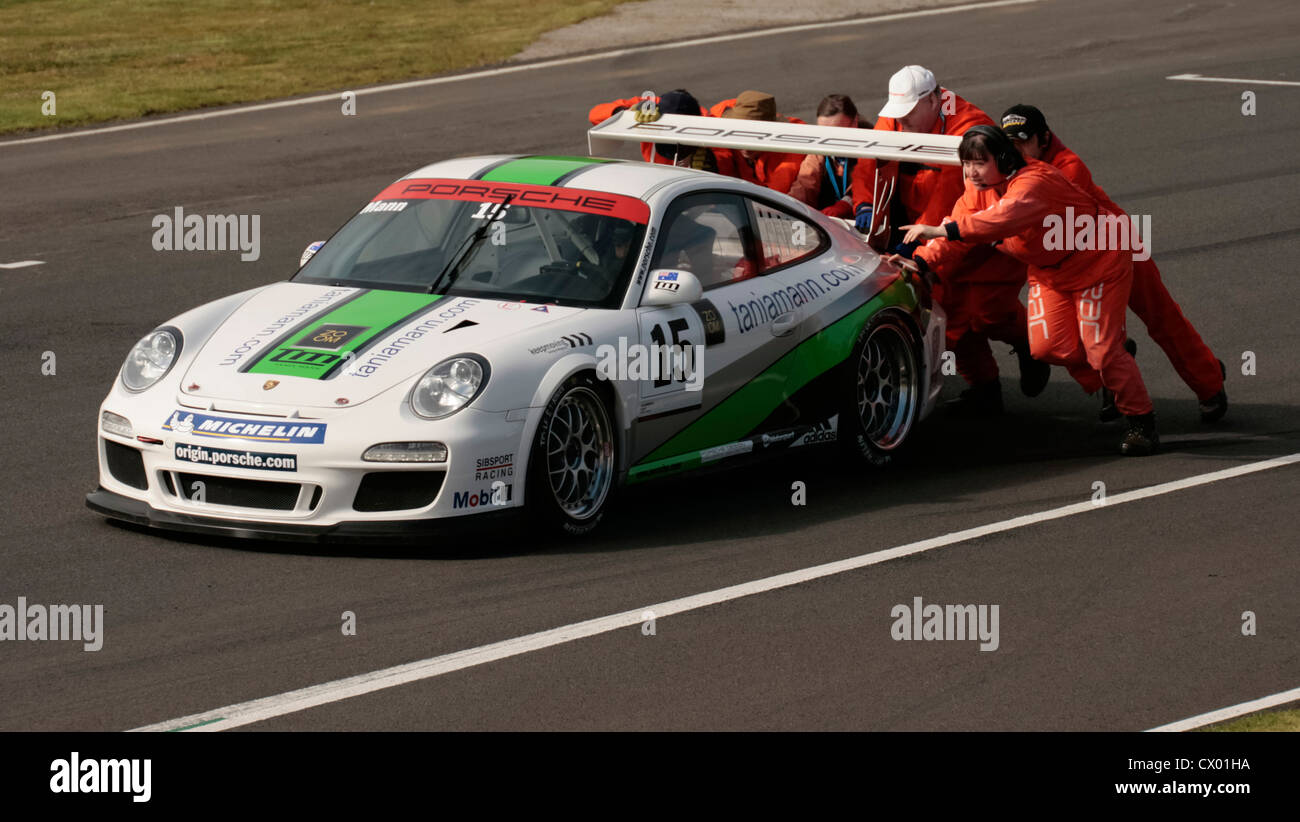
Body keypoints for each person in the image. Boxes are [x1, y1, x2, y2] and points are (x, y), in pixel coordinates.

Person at [892, 126, 1159, 455]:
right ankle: (1111, 364)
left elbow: (1000, 219)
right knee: (1048, 349)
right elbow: (958, 234)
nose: (971, 172)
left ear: (1005, 160)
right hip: (1049, 272)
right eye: (966, 164)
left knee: (1102, 350)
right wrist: (921, 260)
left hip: (1098, 263)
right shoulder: (977, 189)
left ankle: (1141, 422)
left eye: (979, 163)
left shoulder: (1035, 182)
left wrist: (942, 230)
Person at [1000, 104, 1227, 422]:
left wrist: (996, 235)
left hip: (1114, 246)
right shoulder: (1008, 168)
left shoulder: (1067, 168)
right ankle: (1109, 377)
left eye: (1023, 141)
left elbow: (1035, 228)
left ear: (1044, 139)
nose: (1016, 149)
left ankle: (1209, 383)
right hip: (1068, 261)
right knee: (1059, 340)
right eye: (1010, 142)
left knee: (1161, 316)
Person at [852, 66, 1046, 414]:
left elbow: (949, 203)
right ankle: (985, 388)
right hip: (933, 238)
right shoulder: (895, 119)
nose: (901, 122)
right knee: (950, 324)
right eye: (898, 114)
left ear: (934, 100)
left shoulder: (969, 129)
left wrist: (917, 249)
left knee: (988, 314)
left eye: (909, 114)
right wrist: (866, 204)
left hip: (979, 242)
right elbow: (870, 164)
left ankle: (1029, 346)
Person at [709, 91, 806, 195]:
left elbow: (774, 197)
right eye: (741, 135)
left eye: (754, 138)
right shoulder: (718, 131)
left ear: (771, 132)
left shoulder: (792, 153)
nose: (746, 147)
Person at [587, 89, 712, 166]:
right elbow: (595, 114)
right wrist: (627, 113)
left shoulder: (707, 122)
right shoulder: (648, 107)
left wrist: (713, 164)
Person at [788, 94, 861, 217]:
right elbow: (805, 183)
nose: (828, 140)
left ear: (854, 122)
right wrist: (788, 206)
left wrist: (847, 202)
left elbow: (871, 184)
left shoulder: (874, 148)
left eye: (835, 132)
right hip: (827, 219)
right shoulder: (819, 148)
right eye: (823, 132)